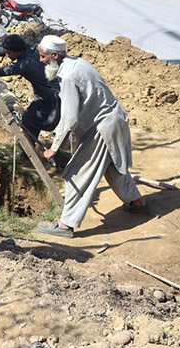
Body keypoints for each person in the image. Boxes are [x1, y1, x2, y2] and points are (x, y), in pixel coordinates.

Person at [36, 35, 147, 238]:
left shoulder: (68, 76)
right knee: (113, 168)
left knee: (78, 173)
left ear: (54, 55)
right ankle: (136, 201)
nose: (41, 61)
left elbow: (70, 119)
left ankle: (65, 225)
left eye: (43, 57)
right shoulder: (78, 63)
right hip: (114, 119)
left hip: (103, 127)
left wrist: (54, 147)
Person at [0, 33, 61, 140]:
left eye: (9, 53)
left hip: (51, 97)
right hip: (44, 93)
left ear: (18, 52)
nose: (6, 55)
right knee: (31, 120)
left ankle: (30, 152)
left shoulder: (25, 64)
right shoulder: (28, 47)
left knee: (29, 120)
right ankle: (26, 153)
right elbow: (3, 51)